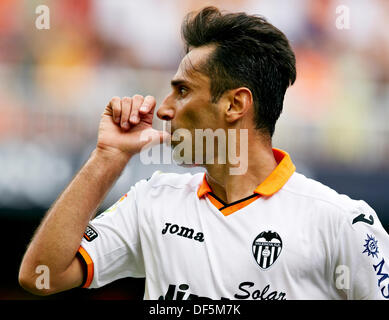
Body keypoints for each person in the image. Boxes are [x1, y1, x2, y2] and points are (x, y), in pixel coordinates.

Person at [19, 6, 389, 300]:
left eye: (182, 91)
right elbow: (43, 276)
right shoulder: (152, 200)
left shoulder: (343, 223)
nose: (163, 109)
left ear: (235, 104)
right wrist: (108, 156)